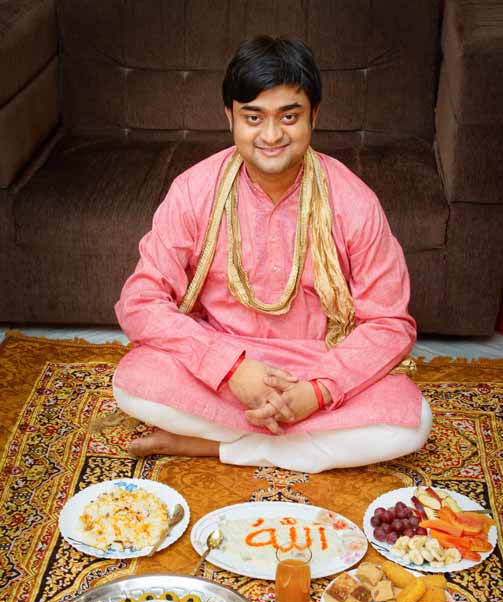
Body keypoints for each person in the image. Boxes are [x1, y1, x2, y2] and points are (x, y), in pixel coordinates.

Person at [113, 36, 432, 473]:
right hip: (226, 361)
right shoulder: (194, 190)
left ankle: (219, 446)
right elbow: (140, 301)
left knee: (412, 423)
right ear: (230, 117)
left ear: (314, 115)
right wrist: (231, 370)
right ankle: (292, 443)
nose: (271, 135)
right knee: (133, 383)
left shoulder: (353, 201)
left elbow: (389, 324)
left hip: (319, 361)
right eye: (253, 117)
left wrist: (317, 391)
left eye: (289, 116)